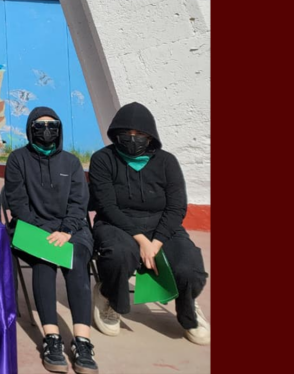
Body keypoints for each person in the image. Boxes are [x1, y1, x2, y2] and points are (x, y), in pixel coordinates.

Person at [89, 102, 210, 345]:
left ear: (150, 135)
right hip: (117, 223)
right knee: (118, 255)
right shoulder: (103, 159)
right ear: (116, 134)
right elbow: (107, 206)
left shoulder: (167, 162)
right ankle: (108, 297)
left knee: (190, 267)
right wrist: (141, 240)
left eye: (140, 135)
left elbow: (177, 207)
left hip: (161, 226)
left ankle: (188, 307)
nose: (133, 140)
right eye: (127, 134)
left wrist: (156, 242)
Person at [3, 107, 98, 374]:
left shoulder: (71, 162)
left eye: (52, 125)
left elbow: (79, 204)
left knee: (77, 260)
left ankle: (82, 341)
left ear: (59, 129)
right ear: (30, 129)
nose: (46, 131)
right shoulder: (17, 159)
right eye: (40, 126)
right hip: (32, 230)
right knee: (44, 262)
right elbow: (18, 204)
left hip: (71, 230)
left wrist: (66, 231)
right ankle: (52, 339)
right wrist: (43, 234)